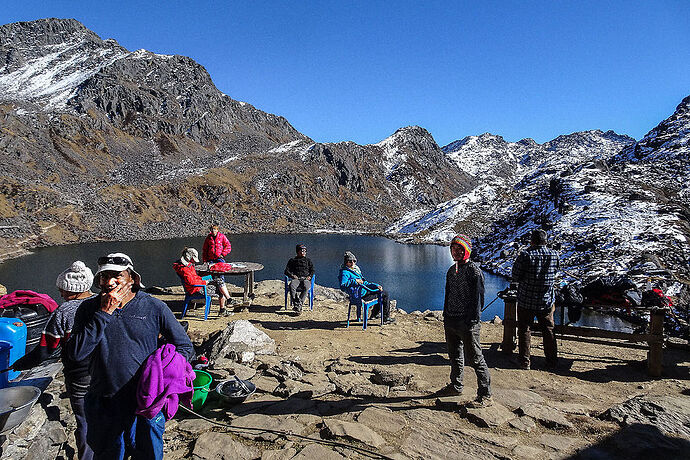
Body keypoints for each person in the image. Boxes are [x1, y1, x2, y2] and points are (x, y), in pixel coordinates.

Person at [68, 253, 194, 460]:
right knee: (108, 454)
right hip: (105, 400)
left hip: (145, 403)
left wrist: (165, 375)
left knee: (147, 454)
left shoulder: (153, 307)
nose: (109, 282)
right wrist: (103, 314)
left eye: (117, 275)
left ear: (132, 279)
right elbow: (76, 354)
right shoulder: (89, 309)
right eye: (104, 276)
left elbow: (184, 346)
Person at [12, 261, 96, 460]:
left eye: (63, 291)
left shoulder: (64, 313)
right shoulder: (105, 303)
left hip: (80, 377)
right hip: (108, 373)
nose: (61, 296)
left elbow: (44, 351)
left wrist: (18, 365)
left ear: (73, 290)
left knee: (84, 422)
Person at [440, 234, 492, 407]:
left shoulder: (474, 271)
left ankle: (485, 394)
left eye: (459, 249)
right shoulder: (451, 270)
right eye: (453, 249)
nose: (456, 252)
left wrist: (472, 321)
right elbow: (448, 294)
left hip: (467, 323)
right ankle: (456, 385)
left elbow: (478, 299)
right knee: (454, 356)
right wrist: (446, 315)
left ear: (467, 251)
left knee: (476, 358)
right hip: (451, 320)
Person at [511, 229, 560, 370]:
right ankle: (551, 361)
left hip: (526, 300)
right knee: (549, 330)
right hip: (546, 300)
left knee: (525, 329)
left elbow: (515, 275)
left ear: (532, 241)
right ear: (546, 241)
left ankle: (524, 362)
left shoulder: (526, 255)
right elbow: (556, 271)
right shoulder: (554, 255)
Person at [338, 251, 394, 324]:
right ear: (346, 262)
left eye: (354, 261)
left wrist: (376, 285)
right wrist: (355, 281)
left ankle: (374, 314)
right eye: (350, 261)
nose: (352, 263)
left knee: (379, 291)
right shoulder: (345, 272)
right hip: (360, 296)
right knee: (384, 294)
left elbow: (365, 283)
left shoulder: (355, 270)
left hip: (361, 293)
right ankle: (385, 318)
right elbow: (343, 286)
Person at [173, 247, 232, 316]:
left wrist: (205, 278)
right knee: (220, 287)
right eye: (193, 259)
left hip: (196, 286)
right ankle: (224, 307)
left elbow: (194, 278)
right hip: (196, 290)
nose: (194, 261)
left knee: (218, 280)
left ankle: (228, 300)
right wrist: (204, 282)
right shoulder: (185, 269)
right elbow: (191, 282)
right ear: (189, 258)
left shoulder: (187, 266)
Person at [202, 224, 232, 307]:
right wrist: (205, 260)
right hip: (210, 260)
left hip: (219, 259)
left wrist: (223, 254)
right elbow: (204, 250)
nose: (213, 231)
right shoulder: (208, 238)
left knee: (221, 276)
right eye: (212, 230)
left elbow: (228, 246)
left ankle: (222, 294)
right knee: (209, 276)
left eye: (214, 229)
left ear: (217, 230)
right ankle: (212, 292)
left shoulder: (222, 237)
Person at [284, 244, 315, 312]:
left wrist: (310, 276)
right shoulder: (292, 260)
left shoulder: (308, 260)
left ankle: (298, 304)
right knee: (292, 286)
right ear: (298, 252)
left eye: (305, 251)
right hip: (296, 279)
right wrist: (292, 276)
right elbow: (286, 271)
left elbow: (312, 270)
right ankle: (297, 304)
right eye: (302, 251)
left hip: (305, 278)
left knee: (306, 287)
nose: (304, 252)